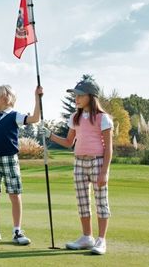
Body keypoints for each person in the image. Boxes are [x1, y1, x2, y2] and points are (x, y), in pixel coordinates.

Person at [42, 75, 113, 255]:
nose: (76, 98)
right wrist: (49, 135)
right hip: (79, 162)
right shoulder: (75, 117)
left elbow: (109, 149)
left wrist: (104, 172)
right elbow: (68, 142)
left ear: (91, 96)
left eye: (80, 95)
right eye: (75, 95)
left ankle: (101, 240)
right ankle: (86, 237)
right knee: (82, 203)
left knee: (101, 202)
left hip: (97, 162)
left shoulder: (103, 118)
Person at [0, 85, 43, 245]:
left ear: (4, 99)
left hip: (10, 160)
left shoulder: (15, 116)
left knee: (14, 195)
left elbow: (35, 118)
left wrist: (37, 98)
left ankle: (17, 231)